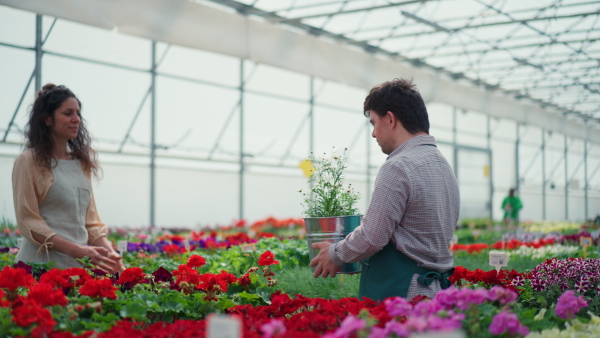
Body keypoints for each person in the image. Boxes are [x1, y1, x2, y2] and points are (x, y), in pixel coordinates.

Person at [310, 78, 460, 301]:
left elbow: (372, 237)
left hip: (404, 295)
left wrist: (334, 254)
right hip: (438, 293)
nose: (373, 134)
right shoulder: (443, 165)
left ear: (390, 119)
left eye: (373, 123)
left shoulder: (399, 166)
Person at [12, 83, 124, 273]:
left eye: (78, 113)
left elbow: (91, 222)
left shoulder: (81, 162)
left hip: (78, 269)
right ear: (47, 119)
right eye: (68, 113)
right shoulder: (29, 161)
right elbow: (29, 221)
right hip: (40, 268)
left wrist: (111, 256)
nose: (76, 119)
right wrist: (78, 250)